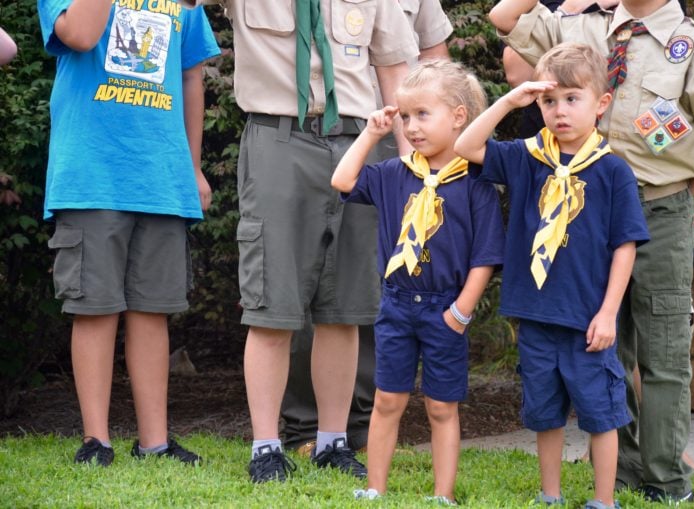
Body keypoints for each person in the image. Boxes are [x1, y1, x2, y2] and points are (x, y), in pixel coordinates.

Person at [489, 0, 694, 502]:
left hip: (657, 209)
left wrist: (674, 197)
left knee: (662, 353)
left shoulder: (693, 45)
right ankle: (625, 469)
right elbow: (504, 19)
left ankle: (666, 479)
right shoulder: (580, 25)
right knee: (605, 346)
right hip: (581, 219)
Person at [195, 0, 419, 483]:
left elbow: (395, 72)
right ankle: (265, 446)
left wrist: (412, 167)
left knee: (344, 305)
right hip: (279, 139)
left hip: (361, 141)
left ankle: (331, 441)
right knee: (271, 301)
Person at [455, 42, 649, 509]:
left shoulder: (612, 171)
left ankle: (605, 500)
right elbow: (465, 146)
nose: (559, 111)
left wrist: (608, 313)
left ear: (601, 104)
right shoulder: (526, 157)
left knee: (601, 413)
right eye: (549, 100)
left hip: (587, 320)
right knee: (544, 413)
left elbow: (624, 248)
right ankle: (551, 495)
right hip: (536, 313)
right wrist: (509, 100)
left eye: (572, 99)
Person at [38, 0, 219, 466]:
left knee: (151, 309)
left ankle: (154, 442)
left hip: (159, 174)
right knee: (95, 306)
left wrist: (194, 168)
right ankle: (96, 440)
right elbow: (79, 34)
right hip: (92, 174)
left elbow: (190, 76)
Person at [281, 0, 455, 455]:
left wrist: (430, 155)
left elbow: (437, 60)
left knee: (370, 290)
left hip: (402, 147)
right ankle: (304, 424)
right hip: (358, 135)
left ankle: (361, 422)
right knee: (316, 286)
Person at [332, 59, 504, 504]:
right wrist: (372, 134)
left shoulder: (476, 184)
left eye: (422, 114)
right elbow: (342, 179)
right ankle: (374, 487)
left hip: (446, 307)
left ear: (459, 117)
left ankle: (442, 494)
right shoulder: (394, 175)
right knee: (387, 401)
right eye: (405, 116)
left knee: (441, 406)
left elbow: (485, 257)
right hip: (396, 305)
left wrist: (459, 313)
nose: (410, 126)